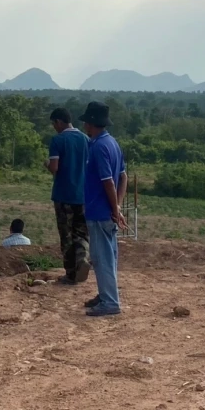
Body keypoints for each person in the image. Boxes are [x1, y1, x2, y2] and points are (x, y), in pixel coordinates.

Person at [79, 101, 127, 317]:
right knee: (108, 256)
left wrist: (113, 208)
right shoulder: (112, 143)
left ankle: (110, 302)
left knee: (102, 258)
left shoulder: (98, 147)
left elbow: (108, 181)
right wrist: (117, 205)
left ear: (90, 123)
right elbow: (123, 177)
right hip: (107, 210)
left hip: (99, 212)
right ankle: (105, 294)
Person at [46, 107, 90, 284]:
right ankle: (83, 258)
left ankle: (71, 273)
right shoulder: (86, 139)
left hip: (64, 195)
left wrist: (46, 164)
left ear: (58, 122)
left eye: (54, 124)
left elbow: (54, 168)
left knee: (66, 235)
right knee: (82, 233)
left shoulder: (58, 140)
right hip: (84, 195)